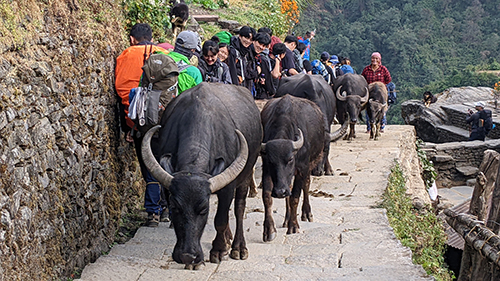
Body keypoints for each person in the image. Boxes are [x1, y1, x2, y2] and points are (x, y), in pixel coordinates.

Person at [115, 23, 169, 227]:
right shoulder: (164, 54)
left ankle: (153, 212)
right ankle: (167, 208)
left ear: (132, 39)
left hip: (140, 122)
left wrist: (131, 126)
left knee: (149, 168)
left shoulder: (126, 55)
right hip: (165, 120)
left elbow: (123, 92)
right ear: (152, 37)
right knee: (165, 163)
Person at [362, 52, 392, 133]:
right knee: (369, 108)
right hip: (370, 91)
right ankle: (369, 127)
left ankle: (381, 126)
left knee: (382, 108)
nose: (374, 60)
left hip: (380, 92)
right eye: (373, 58)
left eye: (376, 58)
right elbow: (362, 79)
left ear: (379, 60)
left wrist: (380, 85)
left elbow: (388, 79)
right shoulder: (366, 69)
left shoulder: (383, 69)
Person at [227, 26, 258, 91]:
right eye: (246, 38)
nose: (248, 41)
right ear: (240, 36)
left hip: (244, 85)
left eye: (251, 40)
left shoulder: (248, 51)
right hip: (235, 87)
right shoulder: (233, 51)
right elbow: (232, 70)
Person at [253, 32, 277, 99]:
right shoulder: (261, 59)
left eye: (263, 46)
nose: (261, 47)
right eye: (260, 44)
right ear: (254, 41)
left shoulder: (258, 57)